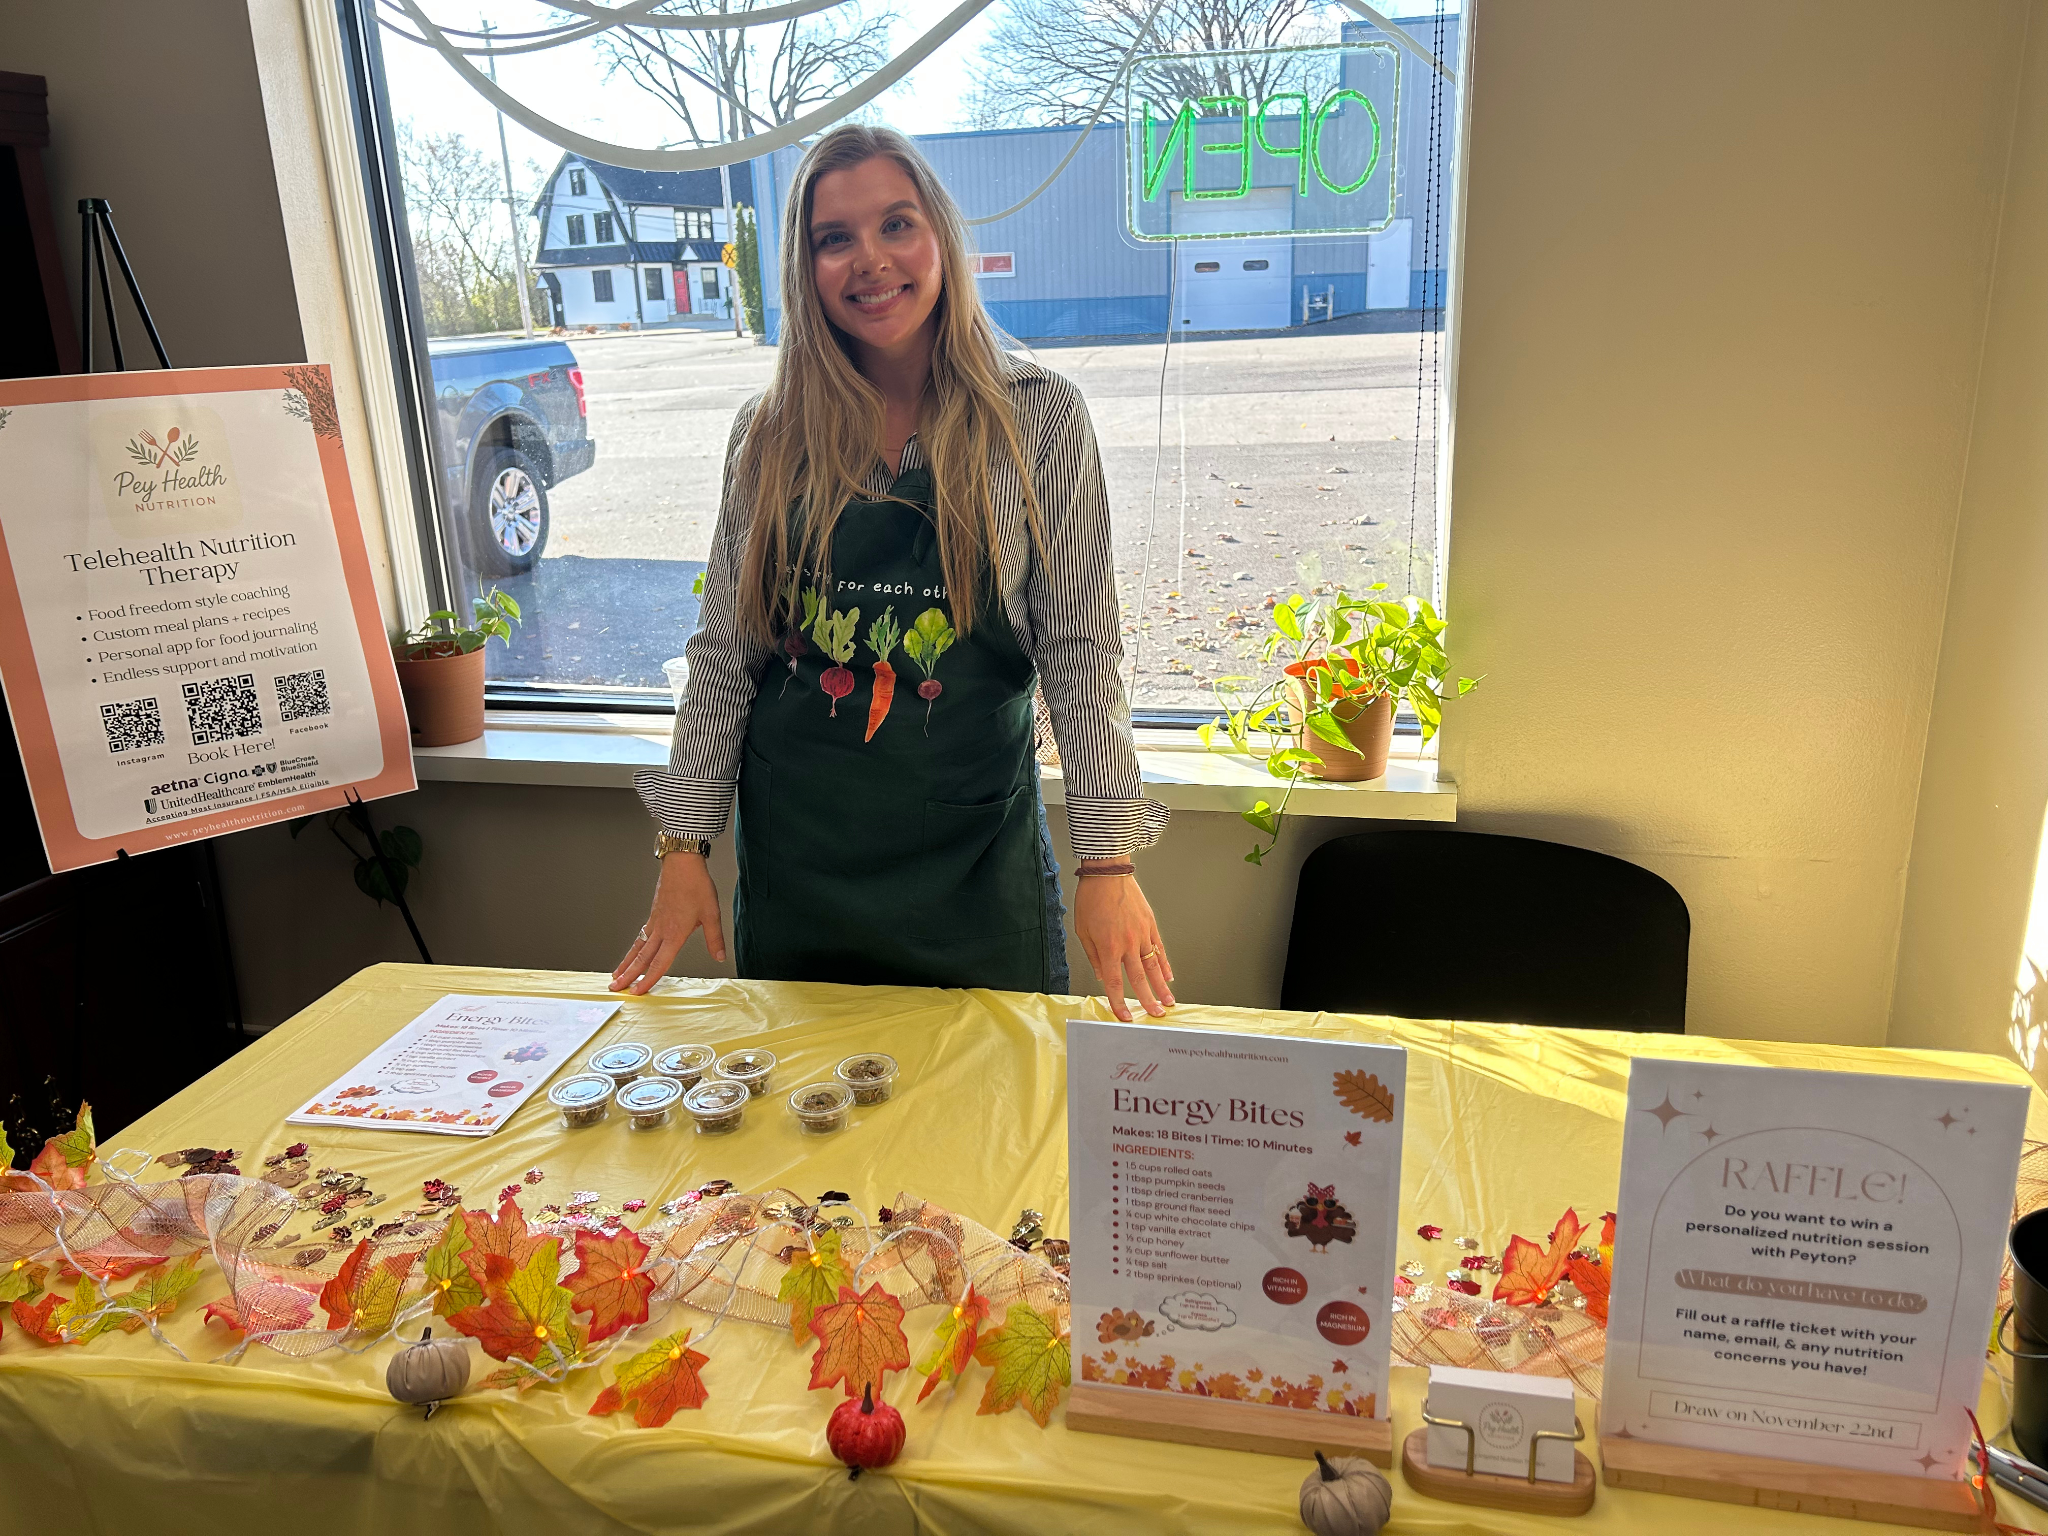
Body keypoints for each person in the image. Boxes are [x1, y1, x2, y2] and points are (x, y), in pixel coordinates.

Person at [612, 124, 1173, 1021]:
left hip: (971, 862)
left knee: (987, 1123)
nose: (869, 260)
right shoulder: (769, 435)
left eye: (896, 225)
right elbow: (726, 651)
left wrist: (1107, 860)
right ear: (807, 267)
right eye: (835, 238)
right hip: (802, 862)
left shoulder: (1039, 419)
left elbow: (1079, 648)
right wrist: (684, 847)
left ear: (941, 238)